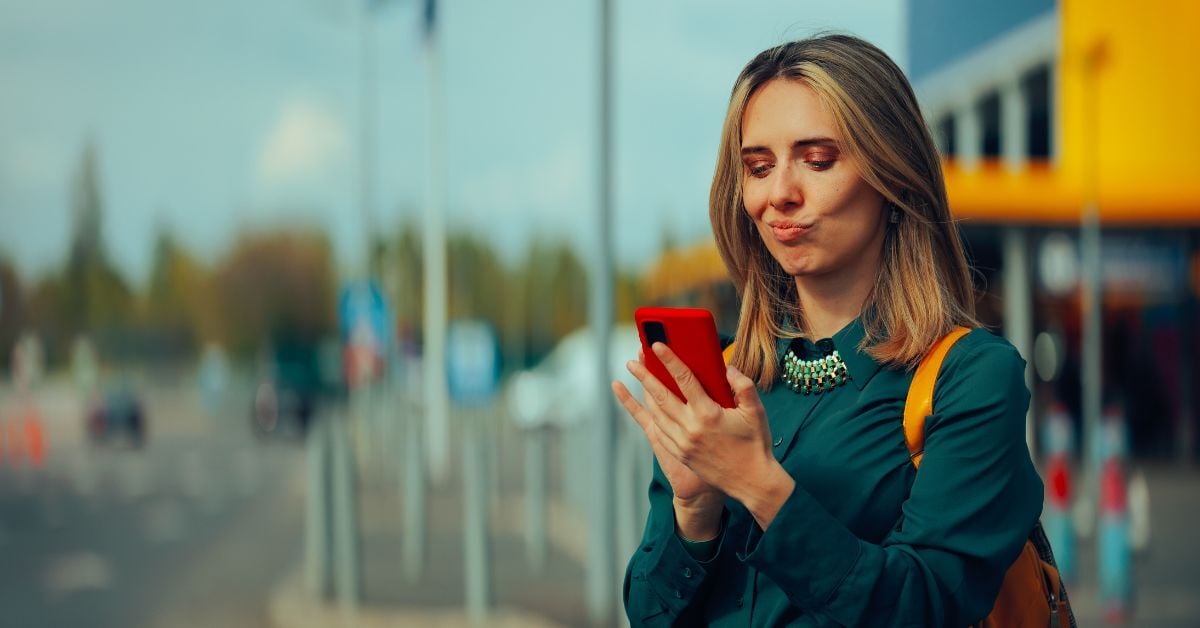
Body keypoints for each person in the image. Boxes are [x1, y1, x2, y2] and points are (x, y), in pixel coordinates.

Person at [612, 34, 1043, 627]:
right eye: (758, 167)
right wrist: (694, 507)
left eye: (818, 160)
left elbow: (926, 606)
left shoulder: (971, 380)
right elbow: (650, 616)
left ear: (893, 174)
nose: (781, 193)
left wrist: (762, 488)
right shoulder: (724, 373)